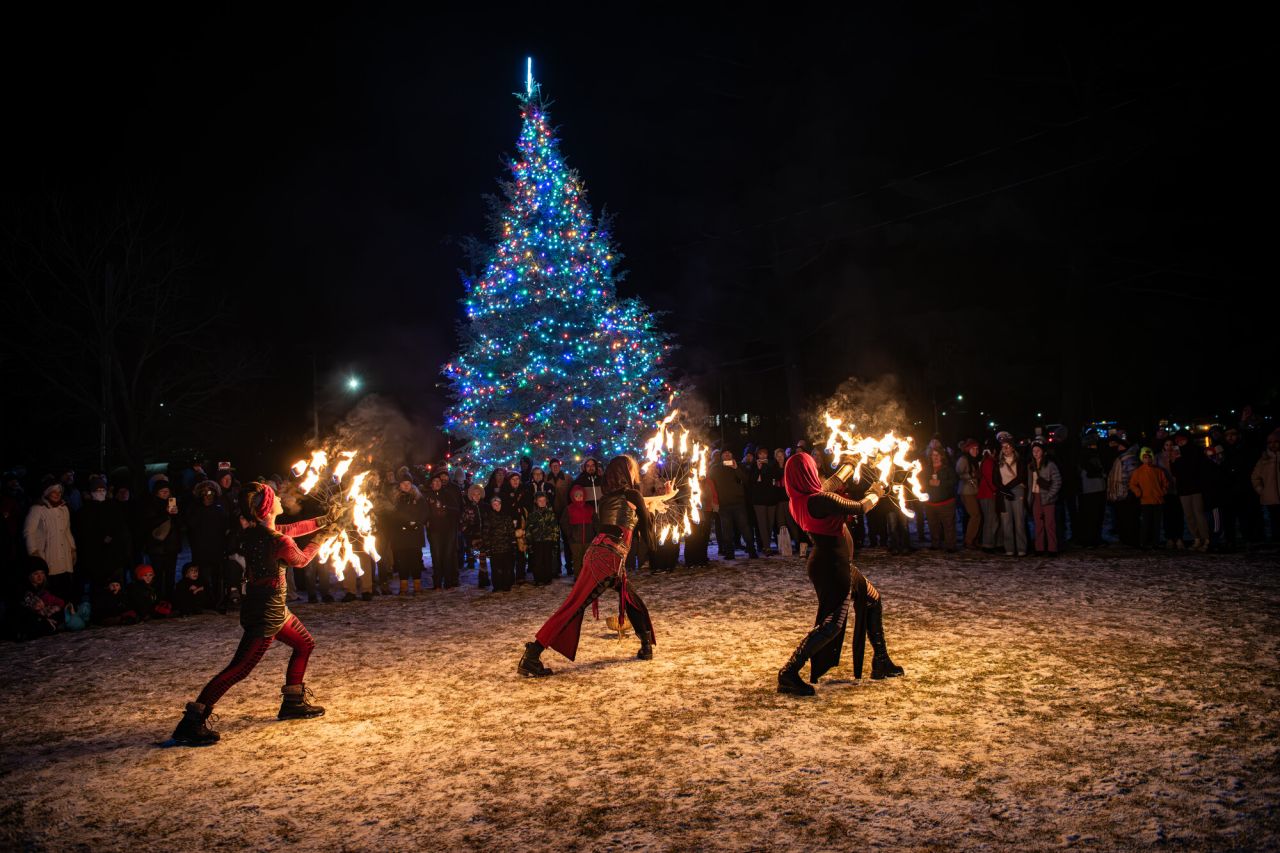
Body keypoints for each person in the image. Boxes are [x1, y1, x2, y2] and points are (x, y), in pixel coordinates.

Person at [170, 482, 329, 746]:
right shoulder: (277, 540)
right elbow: (301, 559)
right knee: (238, 669)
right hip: (267, 614)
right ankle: (191, 722)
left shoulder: (259, 532)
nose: (279, 498)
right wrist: (324, 537)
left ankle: (292, 702)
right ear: (267, 507)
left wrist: (326, 520)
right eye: (274, 496)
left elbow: (292, 529)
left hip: (270, 607)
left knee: (304, 644)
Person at [518, 456, 660, 676]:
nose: (635, 472)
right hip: (607, 558)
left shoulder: (607, 498)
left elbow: (630, 519)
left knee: (631, 598)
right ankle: (533, 653)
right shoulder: (632, 495)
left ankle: (645, 645)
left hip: (604, 554)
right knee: (574, 606)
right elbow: (646, 532)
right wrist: (651, 513)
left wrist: (651, 504)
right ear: (624, 471)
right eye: (632, 468)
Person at [777, 451, 900, 696]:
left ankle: (881, 661)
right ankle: (788, 673)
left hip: (831, 562)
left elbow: (833, 482)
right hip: (832, 566)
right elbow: (860, 507)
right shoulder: (818, 501)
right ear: (807, 472)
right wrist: (877, 490)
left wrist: (850, 464)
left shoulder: (804, 497)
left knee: (872, 599)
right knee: (832, 625)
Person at [24, 483, 77, 603]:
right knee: (51, 587)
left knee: (66, 586)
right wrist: (33, 552)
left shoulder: (64, 509)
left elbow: (67, 531)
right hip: (47, 555)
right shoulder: (37, 509)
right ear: (47, 493)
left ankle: (66, 612)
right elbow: (29, 531)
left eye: (59, 492)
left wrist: (73, 549)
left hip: (64, 555)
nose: (57, 495)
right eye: (54, 492)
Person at [709, 449, 756, 560]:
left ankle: (751, 550)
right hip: (724, 505)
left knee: (745, 528)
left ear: (732, 454)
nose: (727, 454)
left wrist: (736, 468)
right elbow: (709, 482)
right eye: (725, 453)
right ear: (721, 456)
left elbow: (746, 480)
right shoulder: (716, 468)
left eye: (729, 452)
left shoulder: (739, 465)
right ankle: (729, 553)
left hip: (738, 503)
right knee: (727, 531)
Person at [389, 472, 427, 596]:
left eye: (408, 483)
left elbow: (424, 513)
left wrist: (417, 523)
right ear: (400, 485)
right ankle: (403, 586)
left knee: (416, 560)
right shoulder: (395, 498)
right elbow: (392, 515)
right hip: (400, 536)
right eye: (403, 483)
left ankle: (417, 586)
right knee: (402, 561)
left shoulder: (418, 497)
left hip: (415, 535)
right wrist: (403, 524)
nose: (406, 486)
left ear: (411, 484)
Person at [425, 473, 463, 590]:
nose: (436, 484)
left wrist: (445, 508)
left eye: (438, 482)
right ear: (431, 485)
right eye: (434, 482)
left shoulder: (448, 495)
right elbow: (424, 513)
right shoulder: (427, 497)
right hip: (435, 531)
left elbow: (457, 510)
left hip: (448, 530)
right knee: (436, 556)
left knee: (448, 556)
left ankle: (448, 581)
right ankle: (437, 582)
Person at [1129, 448, 1170, 550]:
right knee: (1146, 523)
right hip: (1145, 501)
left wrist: (1162, 492)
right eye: (1145, 457)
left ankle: (1155, 542)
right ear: (1142, 459)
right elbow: (1132, 484)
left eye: (1148, 457)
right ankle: (1143, 542)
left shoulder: (1158, 471)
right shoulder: (1138, 471)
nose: (1147, 459)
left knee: (1157, 523)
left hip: (1158, 501)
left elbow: (1165, 483)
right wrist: (1139, 493)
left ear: (1152, 458)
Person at [1028, 440, 1063, 556]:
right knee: (1038, 523)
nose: (1035, 453)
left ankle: (1052, 549)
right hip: (1036, 497)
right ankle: (1039, 548)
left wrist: (1049, 496)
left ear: (1043, 452)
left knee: (1050, 524)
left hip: (1047, 498)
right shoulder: (1031, 465)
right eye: (1034, 451)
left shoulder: (1050, 465)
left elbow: (1057, 482)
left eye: (1038, 450)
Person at [995, 438, 1028, 557]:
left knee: (1019, 520)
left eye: (1007, 446)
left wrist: (1007, 487)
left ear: (1013, 448)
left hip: (1017, 490)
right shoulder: (998, 462)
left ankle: (1021, 548)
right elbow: (996, 478)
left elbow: (1020, 477)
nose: (1005, 449)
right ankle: (1009, 548)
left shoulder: (1019, 461)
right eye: (1003, 447)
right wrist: (1003, 489)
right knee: (1006, 521)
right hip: (1004, 492)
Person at [922, 448, 958, 552]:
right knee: (933, 525)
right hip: (930, 503)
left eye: (938, 455)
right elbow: (920, 481)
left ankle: (950, 545)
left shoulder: (948, 468)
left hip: (946, 502)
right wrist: (928, 483)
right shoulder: (927, 469)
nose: (936, 457)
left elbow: (954, 481)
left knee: (948, 525)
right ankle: (935, 543)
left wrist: (940, 483)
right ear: (930, 457)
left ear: (942, 456)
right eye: (933, 455)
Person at [481, 495, 517, 591]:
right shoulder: (488, 517)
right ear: (492, 506)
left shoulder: (506, 516)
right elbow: (486, 533)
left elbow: (511, 531)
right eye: (494, 504)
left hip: (506, 547)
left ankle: (506, 585)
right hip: (495, 548)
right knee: (496, 568)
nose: (496, 506)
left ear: (501, 505)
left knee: (507, 567)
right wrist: (487, 546)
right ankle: (497, 586)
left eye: (498, 504)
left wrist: (513, 543)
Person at [1251, 429, 1280, 542]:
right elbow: (1255, 477)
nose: (1273, 444)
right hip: (1271, 498)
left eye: (1276, 441)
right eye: (1270, 442)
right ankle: (1276, 541)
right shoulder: (1264, 459)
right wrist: (1261, 490)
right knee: (1274, 521)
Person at [526, 493, 560, 585]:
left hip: (548, 540)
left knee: (547, 560)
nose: (542, 502)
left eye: (544, 500)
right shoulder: (532, 515)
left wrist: (555, 540)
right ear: (536, 502)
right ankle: (538, 579)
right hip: (536, 541)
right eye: (540, 501)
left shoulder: (551, 514)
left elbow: (555, 528)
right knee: (538, 561)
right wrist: (529, 542)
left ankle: (547, 578)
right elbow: (528, 529)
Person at [956, 440, 982, 550]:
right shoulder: (964, 459)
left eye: (977, 449)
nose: (976, 451)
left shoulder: (973, 459)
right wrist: (971, 475)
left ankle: (973, 539)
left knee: (975, 516)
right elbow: (958, 472)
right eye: (973, 449)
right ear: (968, 449)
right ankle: (969, 540)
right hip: (966, 491)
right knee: (975, 515)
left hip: (973, 490)